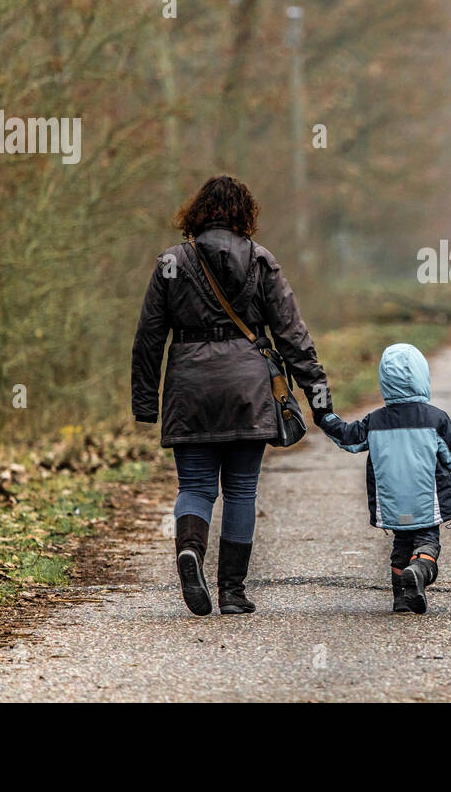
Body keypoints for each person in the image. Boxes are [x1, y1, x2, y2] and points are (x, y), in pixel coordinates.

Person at [131, 174, 333, 616]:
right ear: (245, 215)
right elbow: (292, 334)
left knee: (196, 487)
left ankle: (190, 551)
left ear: (196, 212)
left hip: (190, 389)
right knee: (241, 489)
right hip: (248, 388)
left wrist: (146, 402)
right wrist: (318, 395)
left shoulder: (170, 262)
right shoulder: (261, 261)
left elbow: (148, 337)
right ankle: (232, 591)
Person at [318, 343, 451, 614]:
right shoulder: (435, 419)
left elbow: (348, 439)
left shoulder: (375, 421)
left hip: (392, 504)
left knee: (401, 543)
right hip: (426, 504)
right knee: (427, 541)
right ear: (422, 377)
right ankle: (419, 569)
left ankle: (401, 598)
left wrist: (325, 416)